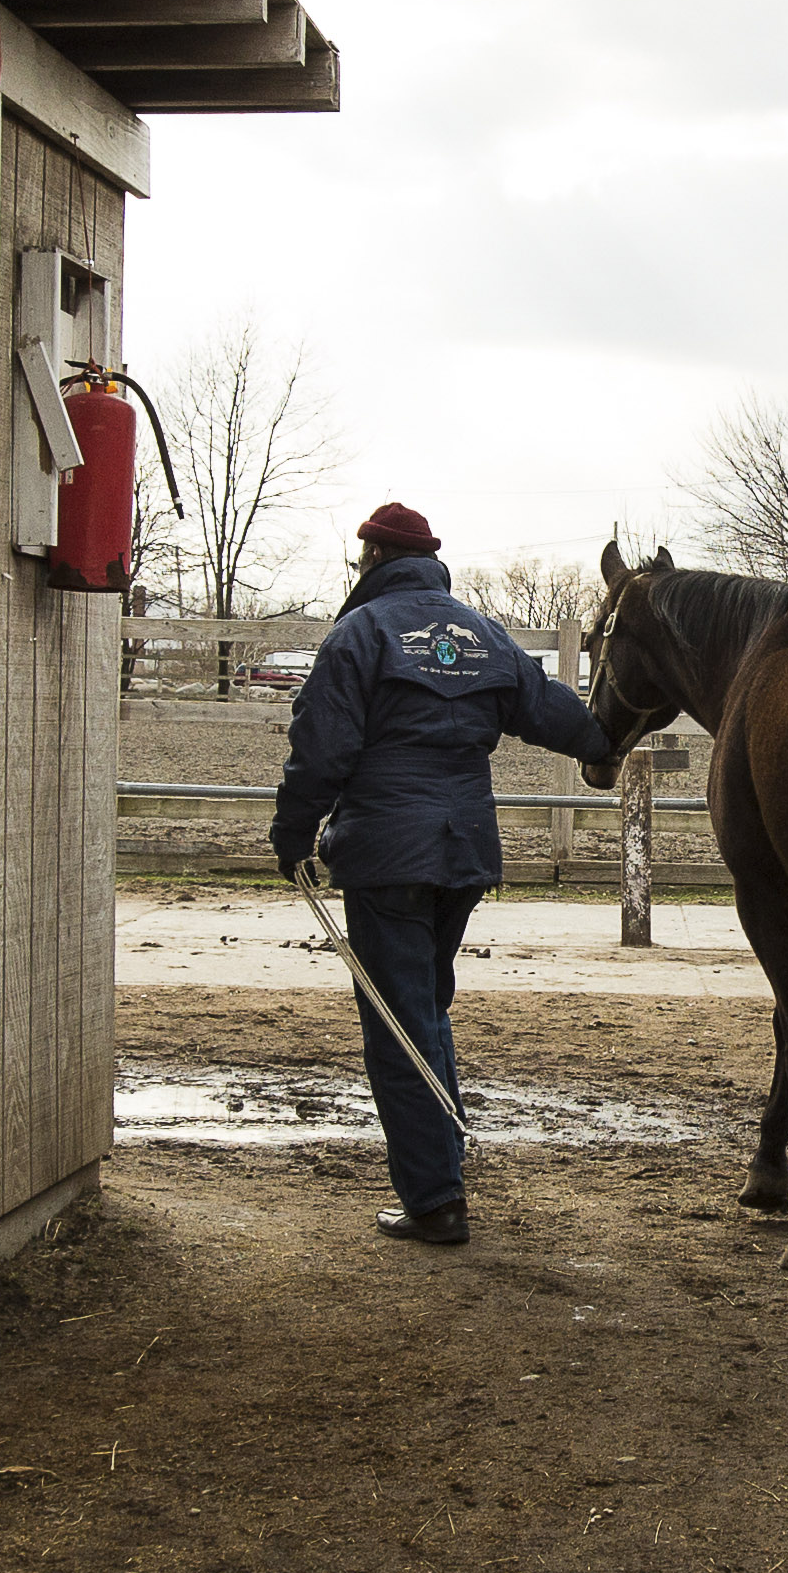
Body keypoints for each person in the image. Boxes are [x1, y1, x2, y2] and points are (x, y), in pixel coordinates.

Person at [267, 503, 605, 1247]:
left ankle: (434, 1198)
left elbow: (320, 746)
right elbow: (549, 708)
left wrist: (292, 833)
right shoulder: (480, 632)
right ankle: (442, 1161)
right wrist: (605, 740)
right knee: (425, 1005)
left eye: (362, 556)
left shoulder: (359, 635)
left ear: (377, 556)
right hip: (462, 853)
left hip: (388, 852)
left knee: (400, 1024)